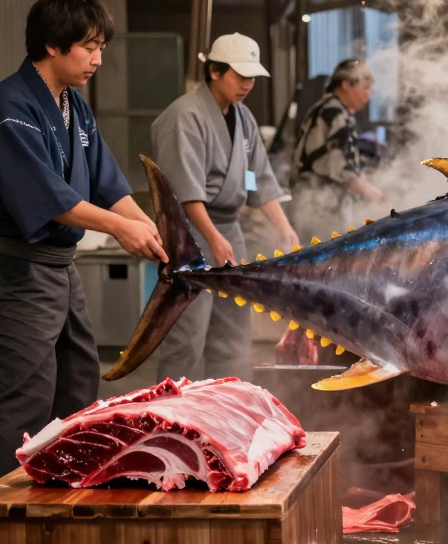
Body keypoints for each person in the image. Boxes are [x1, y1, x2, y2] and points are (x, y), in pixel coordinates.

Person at [0, 0, 166, 488]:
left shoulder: (73, 105)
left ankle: (60, 491)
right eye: (87, 46)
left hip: (57, 265)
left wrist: (152, 228)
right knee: (27, 392)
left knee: (77, 378)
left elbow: (107, 182)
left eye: (100, 47)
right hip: (14, 267)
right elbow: (48, 198)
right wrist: (122, 229)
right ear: (53, 44)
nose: (97, 59)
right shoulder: (6, 110)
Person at [150, 32, 299, 383]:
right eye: (240, 75)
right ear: (214, 71)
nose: (247, 84)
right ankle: (172, 420)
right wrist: (212, 239)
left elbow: (258, 179)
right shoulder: (184, 116)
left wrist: (285, 228)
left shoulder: (244, 118)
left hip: (229, 232)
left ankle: (225, 412)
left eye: (251, 77)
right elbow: (186, 191)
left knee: (233, 335)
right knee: (187, 336)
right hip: (189, 236)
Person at [290, 59, 388, 242]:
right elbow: (342, 170)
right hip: (319, 205)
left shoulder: (327, 107)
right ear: (346, 84)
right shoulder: (335, 113)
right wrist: (378, 196)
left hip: (311, 201)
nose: (369, 95)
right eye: (365, 87)